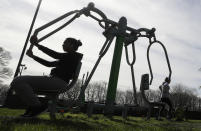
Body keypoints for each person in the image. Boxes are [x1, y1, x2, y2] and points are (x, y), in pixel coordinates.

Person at [7, 35, 83, 117]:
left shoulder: (73, 56)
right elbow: (49, 64)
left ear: (72, 45)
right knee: (18, 83)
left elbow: (55, 55)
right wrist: (33, 56)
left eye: (65, 43)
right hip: (55, 81)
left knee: (18, 81)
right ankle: (33, 107)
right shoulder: (67, 58)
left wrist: (37, 45)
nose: (63, 44)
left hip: (59, 82)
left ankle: (37, 106)